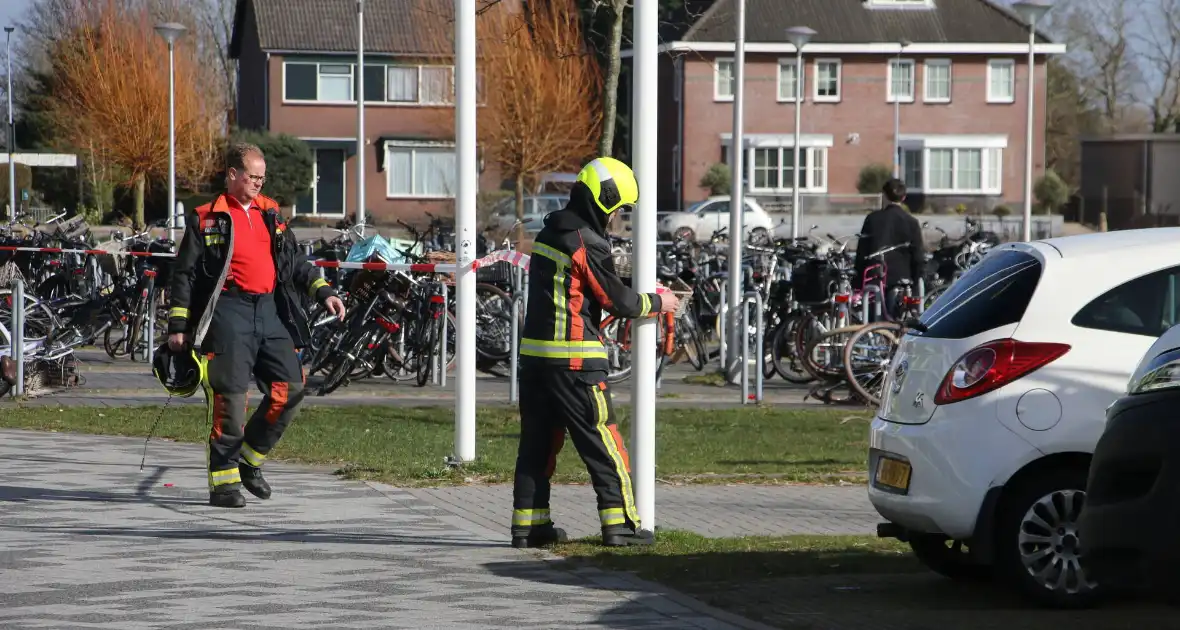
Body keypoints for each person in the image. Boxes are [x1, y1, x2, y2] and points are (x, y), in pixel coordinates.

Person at [511, 156, 679, 549]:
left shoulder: (552, 232)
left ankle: (529, 526)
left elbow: (583, 285)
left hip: (535, 362)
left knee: (537, 447)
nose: (618, 218)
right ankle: (620, 525)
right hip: (575, 363)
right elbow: (615, 299)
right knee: (604, 443)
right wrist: (658, 302)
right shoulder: (585, 240)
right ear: (605, 201)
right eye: (619, 209)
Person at [166, 142, 346, 508]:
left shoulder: (271, 214)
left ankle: (250, 460)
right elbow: (183, 275)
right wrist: (178, 326)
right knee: (230, 398)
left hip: (269, 310)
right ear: (232, 174)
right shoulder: (206, 219)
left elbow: (295, 262)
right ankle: (224, 483)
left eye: (263, 177)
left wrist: (323, 290)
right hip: (227, 313)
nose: (259, 183)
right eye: (253, 176)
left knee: (292, 388)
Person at [853, 178, 926, 317]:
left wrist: (857, 282)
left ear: (884, 195)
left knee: (873, 319)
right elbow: (918, 256)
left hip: (874, 276)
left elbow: (862, 252)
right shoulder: (911, 222)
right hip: (901, 278)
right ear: (904, 197)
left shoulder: (872, 219)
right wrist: (917, 281)